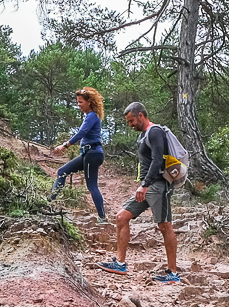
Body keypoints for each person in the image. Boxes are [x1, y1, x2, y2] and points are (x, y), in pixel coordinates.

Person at [103, 102, 184, 283]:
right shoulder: (144, 135)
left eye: (131, 120)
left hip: (158, 186)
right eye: (128, 122)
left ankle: (172, 273)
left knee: (165, 226)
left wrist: (145, 184)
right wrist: (144, 185)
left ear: (141, 115)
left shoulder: (155, 132)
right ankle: (120, 263)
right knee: (122, 217)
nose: (130, 125)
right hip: (147, 187)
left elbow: (157, 160)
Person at [50, 87, 109, 223]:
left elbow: (81, 133)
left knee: (92, 185)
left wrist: (65, 145)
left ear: (89, 102)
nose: (78, 105)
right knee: (62, 171)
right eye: (77, 102)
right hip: (89, 154)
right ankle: (50, 201)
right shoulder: (90, 116)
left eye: (80, 102)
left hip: (92, 154)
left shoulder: (92, 116)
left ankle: (102, 217)